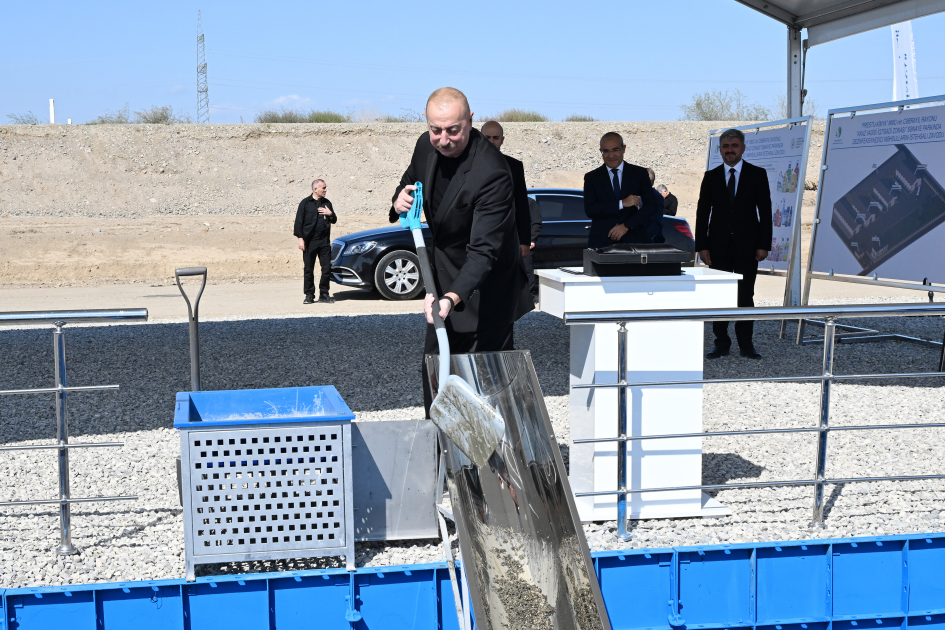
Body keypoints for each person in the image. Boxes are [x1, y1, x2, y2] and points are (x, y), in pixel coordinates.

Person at [390, 87, 533, 417]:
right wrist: (400, 199)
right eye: (435, 129)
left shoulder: (493, 171)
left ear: (470, 121)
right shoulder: (425, 145)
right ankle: (441, 455)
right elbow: (410, 180)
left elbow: (484, 252)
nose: (443, 139)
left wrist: (452, 298)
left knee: (485, 391)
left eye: (453, 130)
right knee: (437, 377)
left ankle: (492, 465)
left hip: (486, 294)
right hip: (442, 282)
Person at [695, 128, 772, 359]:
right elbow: (702, 213)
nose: (730, 150)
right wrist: (702, 246)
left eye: (734, 146)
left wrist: (764, 244)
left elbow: (766, 212)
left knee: (745, 296)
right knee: (719, 296)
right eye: (726, 147)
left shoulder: (757, 174)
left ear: (743, 148)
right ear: (720, 150)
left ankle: (746, 345)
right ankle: (721, 343)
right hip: (717, 247)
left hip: (748, 247)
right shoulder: (711, 177)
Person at [583, 132, 661, 248]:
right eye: (606, 151)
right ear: (601, 151)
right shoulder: (592, 178)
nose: (611, 155)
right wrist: (621, 203)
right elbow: (590, 209)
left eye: (615, 150)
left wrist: (627, 225)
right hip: (602, 243)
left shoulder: (639, 174)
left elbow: (652, 206)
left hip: (635, 242)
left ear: (623, 149)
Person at [481, 120, 531, 259]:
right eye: (487, 137)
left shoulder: (514, 166)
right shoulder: (469, 164)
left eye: (495, 138)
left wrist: (524, 240)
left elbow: (522, 204)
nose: (491, 141)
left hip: (507, 236)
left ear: (502, 140)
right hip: (476, 236)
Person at [293, 179, 337, 304]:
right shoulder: (305, 203)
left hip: (324, 242)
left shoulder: (327, 203)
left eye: (325, 187)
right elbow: (298, 223)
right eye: (323, 188)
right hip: (309, 242)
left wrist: (330, 213)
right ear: (315, 189)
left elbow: (334, 220)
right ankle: (309, 295)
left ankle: (324, 294)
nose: (325, 190)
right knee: (308, 269)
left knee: (327, 268)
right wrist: (300, 239)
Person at [526, 196, 542, 298]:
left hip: (524, 244)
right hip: (509, 243)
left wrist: (531, 239)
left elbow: (536, 223)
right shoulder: (505, 201)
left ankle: (529, 297)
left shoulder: (529, 202)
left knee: (526, 270)